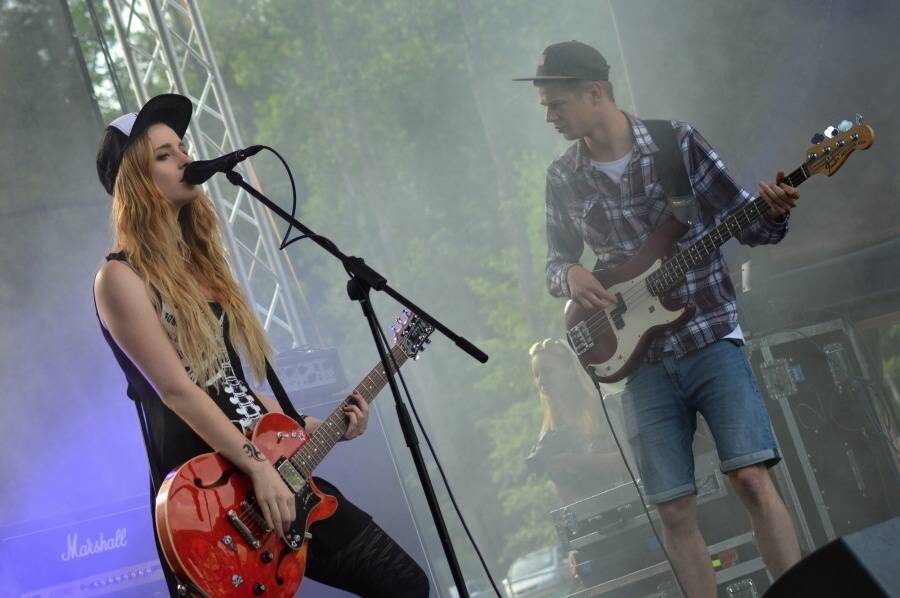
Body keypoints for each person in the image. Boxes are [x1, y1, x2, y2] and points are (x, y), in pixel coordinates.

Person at [93, 93, 429, 597]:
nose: (185, 158)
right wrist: (255, 465)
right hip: (209, 498)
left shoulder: (203, 270)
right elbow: (178, 391)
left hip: (266, 469)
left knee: (403, 583)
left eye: (182, 147)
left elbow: (230, 388)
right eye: (164, 154)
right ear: (135, 182)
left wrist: (312, 427)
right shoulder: (120, 278)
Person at [516, 41, 802, 597]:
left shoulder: (677, 143)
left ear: (595, 92)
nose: (549, 116)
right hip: (639, 361)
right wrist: (570, 274)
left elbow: (747, 224)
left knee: (750, 478)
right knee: (672, 509)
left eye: (556, 104)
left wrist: (773, 212)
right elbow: (555, 262)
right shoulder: (563, 176)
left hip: (710, 334)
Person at [526, 338, 630, 589]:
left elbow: (629, 461)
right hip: (595, 533)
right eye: (537, 374)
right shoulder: (549, 433)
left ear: (570, 369)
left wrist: (576, 460)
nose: (541, 380)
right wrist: (573, 545)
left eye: (547, 371)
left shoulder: (606, 407)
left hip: (633, 512)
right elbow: (566, 497)